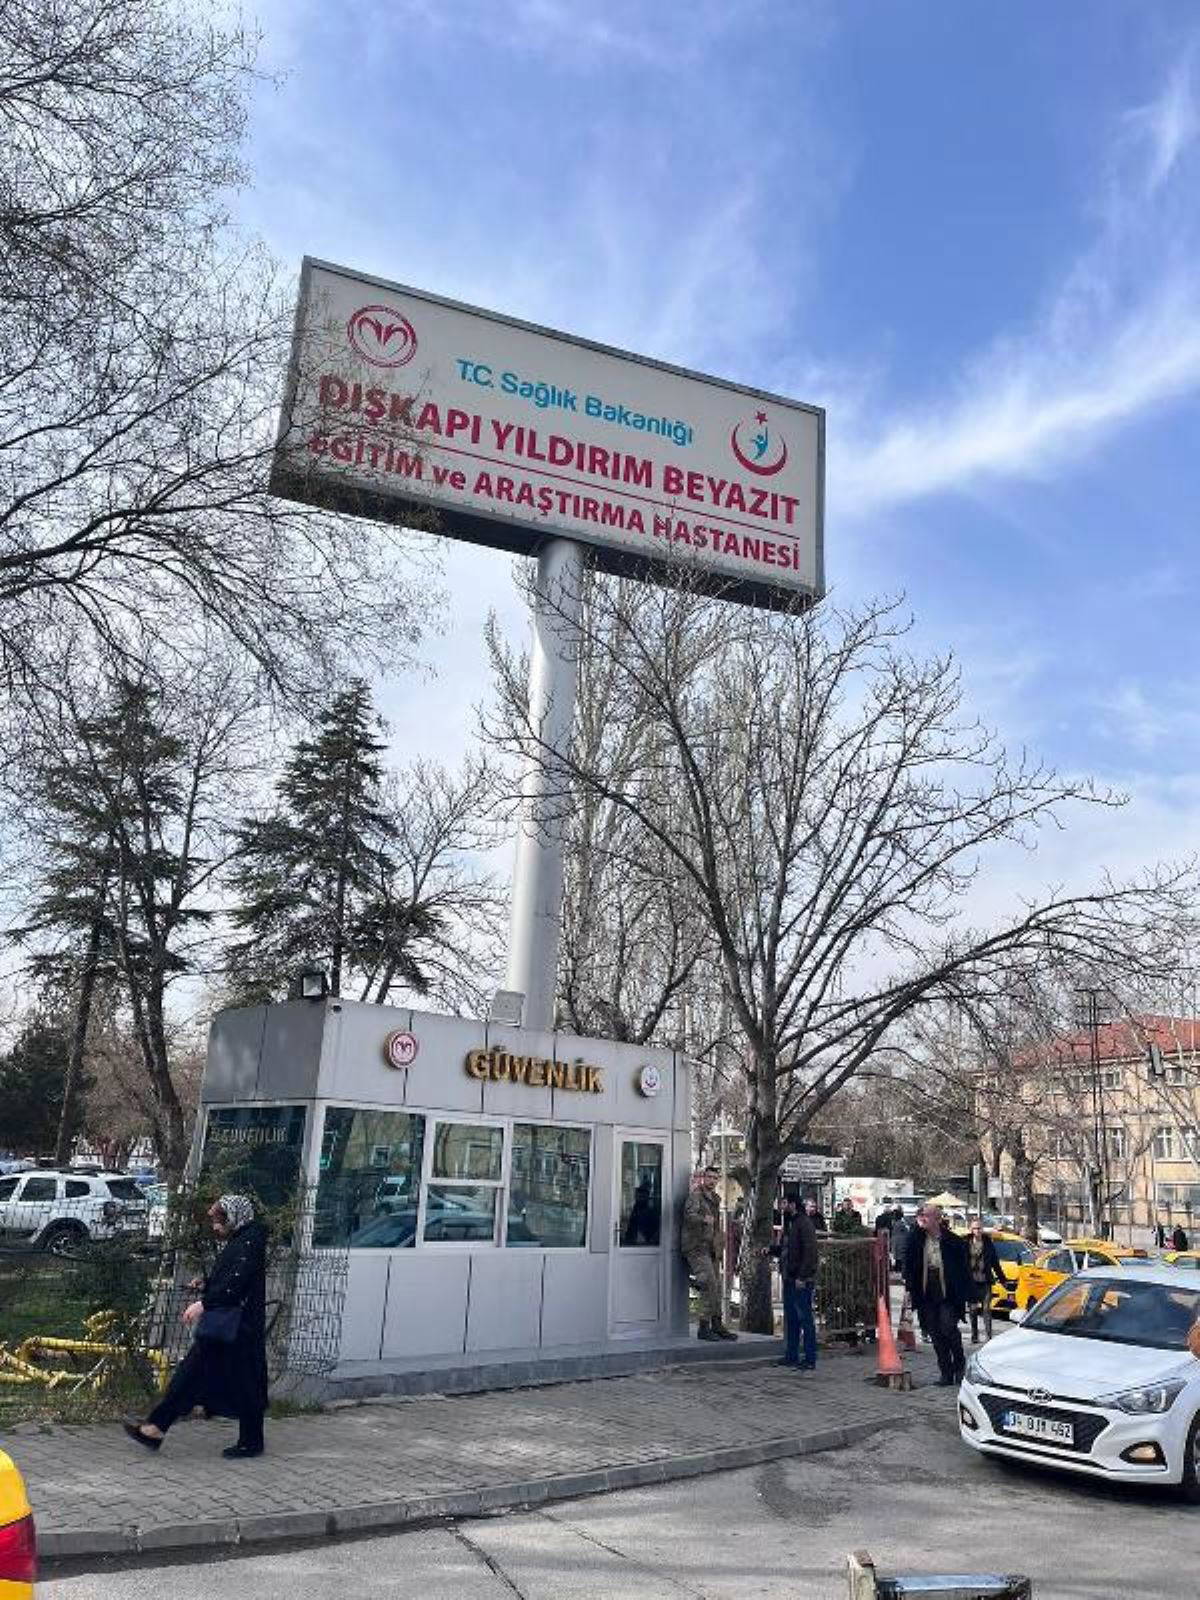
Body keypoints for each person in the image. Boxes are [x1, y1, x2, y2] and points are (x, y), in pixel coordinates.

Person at [124, 1194, 269, 1458]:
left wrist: (204, 1303)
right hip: (233, 1327)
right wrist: (206, 1284)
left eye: (219, 1221)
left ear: (234, 1218)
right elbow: (231, 1278)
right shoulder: (243, 1240)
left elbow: (236, 1284)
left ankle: (158, 1428)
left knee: (212, 1378)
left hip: (236, 1328)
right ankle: (156, 1428)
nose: (216, 1227)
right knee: (201, 1377)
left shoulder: (248, 1243)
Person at [903, 1203, 971, 1386]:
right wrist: (909, 1288)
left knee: (948, 1327)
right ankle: (946, 1373)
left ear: (937, 1219)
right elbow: (908, 1263)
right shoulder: (916, 1238)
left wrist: (968, 1295)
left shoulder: (953, 1241)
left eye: (926, 1215)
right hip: (927, 1291)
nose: (922, 1218)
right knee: (935, 1332)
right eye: (921, 1215)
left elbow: (964, 1271)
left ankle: (959, 1365)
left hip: (947, 1292)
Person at [681, 1166, 737, 1342]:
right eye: (709, 1177)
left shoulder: (715, 1199)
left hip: (711, 1249)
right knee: (708, 1284)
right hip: (697, 1247)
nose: (712, 1181)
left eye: (715, 1178)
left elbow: (716, 1226)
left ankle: (717, 1324)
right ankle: (704, 1327)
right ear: (703, 1178)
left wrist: (719, 1242)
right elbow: (689, 1216)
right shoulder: (696, 1196)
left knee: (717, 1287)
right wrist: (703, 1219)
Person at [776, 1196, 819, 1371]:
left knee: (805, 1318)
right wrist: (771, 1250)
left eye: (784, 1203)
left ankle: (809, 1358)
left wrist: (802, 1276)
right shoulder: (790, 1223)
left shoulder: (803, 1223)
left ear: (792, 1204)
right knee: (792, 1318)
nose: (781, 1206)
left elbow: (810, 1251)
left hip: (800, 1279)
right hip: (789, 1276)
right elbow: (787, 1248)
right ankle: (791, 1355)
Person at [965, 1219, 1007, 1344]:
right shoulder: (965, 1243)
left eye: (979, 1228)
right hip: (971, 1282)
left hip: (985, 1281)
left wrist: (1002, 1279)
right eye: (974, 1228)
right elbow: (960, 1262)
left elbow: (995, 1263)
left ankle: (989, 1336)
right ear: (971, 1230)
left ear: (982, 1229)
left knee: (986, 1309)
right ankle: (974, 1335)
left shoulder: (988, 1243)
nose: (977, 1231)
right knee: (973, 1310)